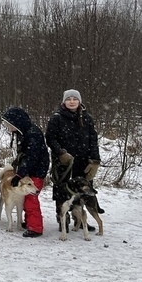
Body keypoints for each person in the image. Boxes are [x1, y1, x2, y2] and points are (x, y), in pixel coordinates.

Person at [45, 89, 103, 231]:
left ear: (79, 101)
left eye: (74, 99)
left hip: (83, 161)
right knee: (61, 191)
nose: (72, 101)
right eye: (69, 99)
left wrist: (95, 160)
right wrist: (60, 153)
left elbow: (93, 140)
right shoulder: (57, 118)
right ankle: (62, 219)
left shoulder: (87, 118)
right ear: (64, 101)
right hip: (63, 162)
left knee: (82, 191)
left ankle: (81, 219)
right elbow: (50, 138)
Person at [2, 106, 50, 238]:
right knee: (26, 198)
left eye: (8, 124)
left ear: (15, 123)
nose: (7, 127)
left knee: (31, 199)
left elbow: (31, 157)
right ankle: (29, 222)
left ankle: (35, 228)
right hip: (29, 170)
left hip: (36, 171)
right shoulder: (22, 133)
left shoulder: (32, 134)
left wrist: (19, 174)